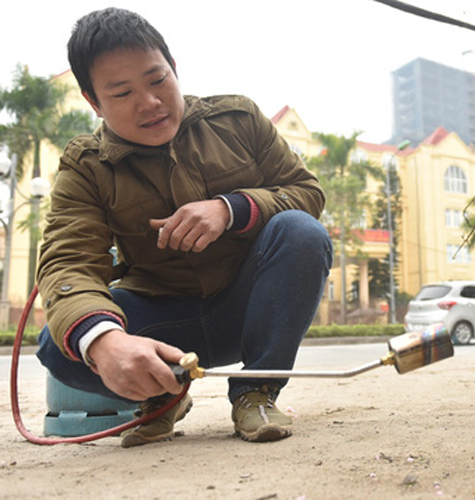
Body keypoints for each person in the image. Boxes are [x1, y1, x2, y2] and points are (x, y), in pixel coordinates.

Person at [35, 7, 332, 448]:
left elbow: (306, 192)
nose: (150, 103)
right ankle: (161, 394)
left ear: (174, 69)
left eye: (157, 80)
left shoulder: (238, 120)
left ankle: (256, 391)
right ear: (94, 102)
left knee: (302, 233)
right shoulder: (86, 166)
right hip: (161, 320)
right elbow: (67, 263)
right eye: (121, 93)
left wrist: (231, 209)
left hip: (246, 307)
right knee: (61, 344)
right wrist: (105, 341)